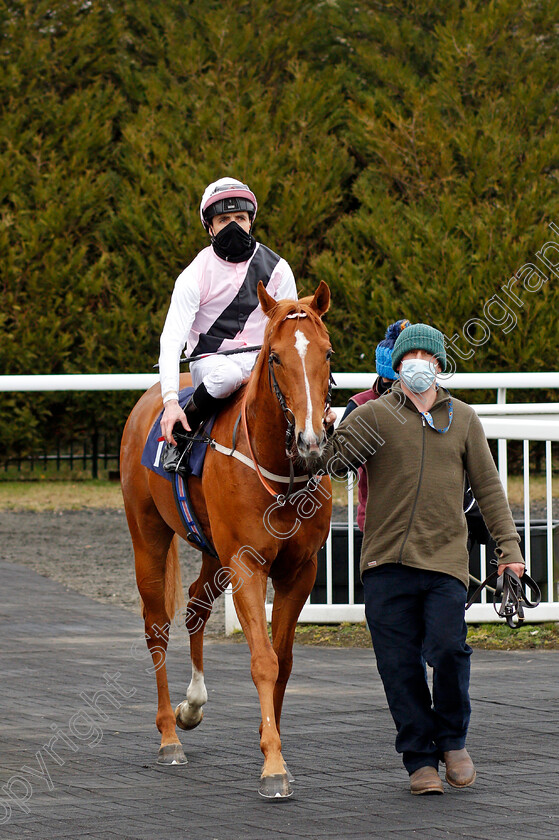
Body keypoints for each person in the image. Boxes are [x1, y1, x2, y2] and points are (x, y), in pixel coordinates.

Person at [320, 323, 525, 795]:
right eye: (407, 354)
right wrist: (324, 430)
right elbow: (331, 465)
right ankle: (420, 760)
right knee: (398, 665)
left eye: (424, 356)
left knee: (449, 650)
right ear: (396, 364)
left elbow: (490, 491)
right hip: (384, 565)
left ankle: (452, 740)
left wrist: (509, 554)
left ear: (439, 364)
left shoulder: (465, 420)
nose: (416, 362)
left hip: (445, 563)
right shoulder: (373, 417)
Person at [158, 178, 297, 469]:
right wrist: (170, 401)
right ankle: (184, 432)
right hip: (212, 365)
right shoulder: (193, 275)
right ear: (210, 227)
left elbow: (293, 335)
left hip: (263, 362)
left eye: (240, 218)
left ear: (251, 222)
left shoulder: (278, 269)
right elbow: (171, 342)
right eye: (223, 219)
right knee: (229, 375)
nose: (233, 225)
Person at [342, 319, 410, 531]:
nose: (398, 389)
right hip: (377, 523)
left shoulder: (430, 402)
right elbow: (340, 464)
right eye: (392, 382)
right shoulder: (359, 404)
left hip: (425, 523)